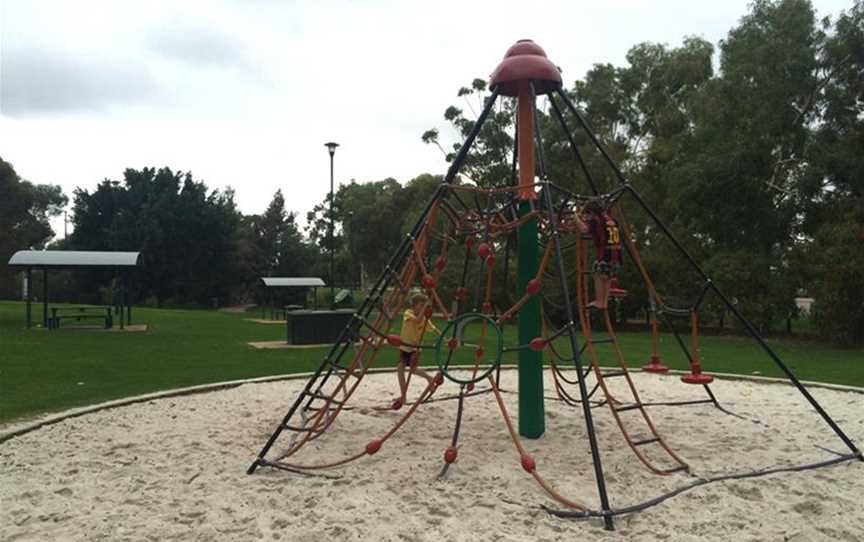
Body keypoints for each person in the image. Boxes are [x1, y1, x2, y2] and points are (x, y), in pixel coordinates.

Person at [394, 293, 440, 409]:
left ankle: (429, 378)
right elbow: (417, 320)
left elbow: (434, 329)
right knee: (401, 368)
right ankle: (404, 395)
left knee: (413, 370)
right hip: (405, 346)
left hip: (415, 348)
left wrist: (445, 339)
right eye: (421, 304)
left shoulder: (424, 319)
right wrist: (426, 307)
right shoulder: (408, 313)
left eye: (424, 305)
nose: (423, 307)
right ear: (414, 305)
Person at [575, 200, 623, 310]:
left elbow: (584, 229)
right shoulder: (611, 219)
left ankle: (599, 301)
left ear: (591, 213)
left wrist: (576, 218)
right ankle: (604, 302)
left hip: (605, 255)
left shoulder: (596, 220)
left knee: (597, 273)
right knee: (607, 277)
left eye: (587, 214)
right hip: (617, 256)